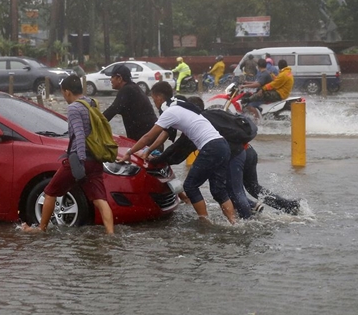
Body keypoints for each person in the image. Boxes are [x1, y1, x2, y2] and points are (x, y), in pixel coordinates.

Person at [117, 81, 237, 224]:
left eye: (153, 98)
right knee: (218, 190)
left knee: (190, 186)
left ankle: (205, 222)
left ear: (159, 97)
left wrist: (129, 152)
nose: (154, 102)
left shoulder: (170, 111)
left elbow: (149, 136)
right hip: (222, 145)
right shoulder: (180, 105)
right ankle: (234, 223)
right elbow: (164, 135)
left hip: (211, 147)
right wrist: (148, 150)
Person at [22, 75, 114, 234]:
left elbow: (79, 135)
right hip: (96, 157)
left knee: (50, 191)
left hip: (79, 158)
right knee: (100, 199)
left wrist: (79, 161)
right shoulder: (92, 103)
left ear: (67, 92)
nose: (63, 96)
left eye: (63, 92)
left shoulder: (74, 108)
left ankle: (41, 228)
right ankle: (110, 234)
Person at [154, 96, 258, 219]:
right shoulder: (212, 114)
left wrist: (158, 159)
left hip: (235, 154)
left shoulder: (197, 122)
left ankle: (246, 222)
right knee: (240, 189)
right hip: (245, 150)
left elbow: (178, 151)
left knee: (234, 193)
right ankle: (249, 212)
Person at [102, 64, 158, 142]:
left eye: (112, 77)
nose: (110, 80)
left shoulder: (127, 90)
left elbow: (112, 111)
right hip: (150, 135)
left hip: (145, 138)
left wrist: (94, 123)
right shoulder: (133, 87)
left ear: (119, 78)